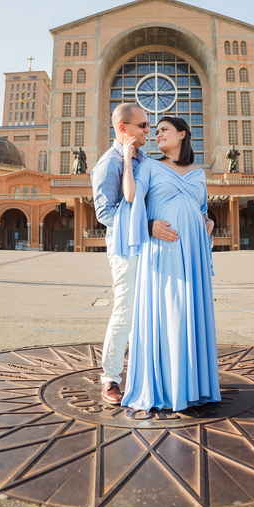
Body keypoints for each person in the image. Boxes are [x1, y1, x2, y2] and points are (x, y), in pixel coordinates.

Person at [115, 115, 219, 412]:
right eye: (156, 131)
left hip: (194, 252)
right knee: (169, 312)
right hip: (163, 250)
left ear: (182, 134)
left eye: (164, 130)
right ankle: (168, 387)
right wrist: (127, 159)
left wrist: (208, 221)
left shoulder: (198, 173)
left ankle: (193, 386)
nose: (158, 134)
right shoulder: (149, 166)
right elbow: (131, 196)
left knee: (190, 311)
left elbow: (200, 208)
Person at [90, 103, 181, 405]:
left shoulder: (145, 160)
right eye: (142, 125)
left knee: (150, 311)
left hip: (151, 246)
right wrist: (148, 225)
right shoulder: (108, 164)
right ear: (123, 128)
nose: (148, 130)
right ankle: (110, 377)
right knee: (125, 311)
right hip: (126, 249)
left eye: (148, 125)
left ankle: (148, 373)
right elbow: (105, 213)